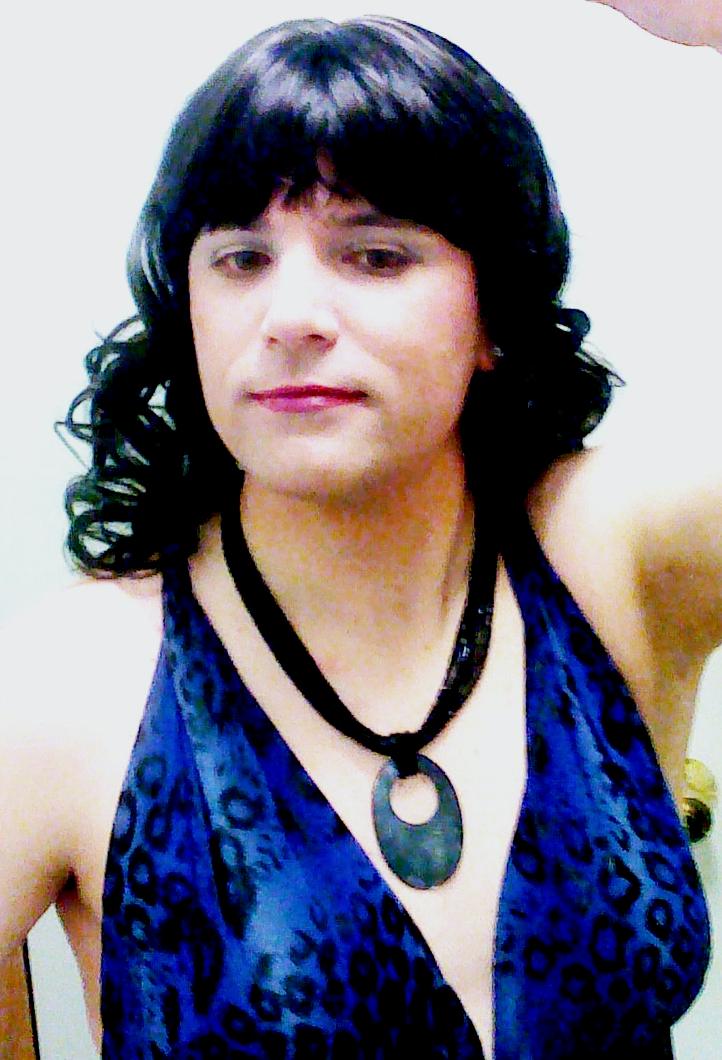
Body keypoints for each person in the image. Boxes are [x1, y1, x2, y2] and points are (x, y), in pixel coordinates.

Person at [1, 6, 720, 1059]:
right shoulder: (66, 684)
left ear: (493, 313)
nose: (290, 314)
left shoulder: (611, 554)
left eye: (375, 255)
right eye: (240, 257)